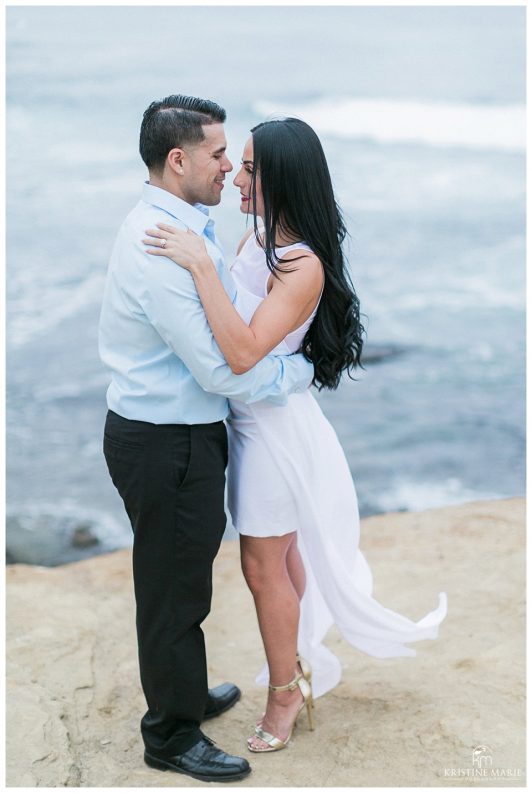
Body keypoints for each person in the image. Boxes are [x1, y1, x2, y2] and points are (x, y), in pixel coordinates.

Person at [143, 117, 448, 753]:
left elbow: (245, 350)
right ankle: (300, 659)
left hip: (274, 435)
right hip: (255, 423)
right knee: (281, 559)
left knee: (262, 566)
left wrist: (199, 264)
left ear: (285, 178)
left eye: (251, 167)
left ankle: (285, 691)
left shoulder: (299, 261)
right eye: (239, 163)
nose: (236, 176)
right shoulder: (259, 240)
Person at [99, 96, 315, 782]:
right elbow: (223, 367)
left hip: (179, 433)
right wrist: (303, 368)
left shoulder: (182, 222)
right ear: (178, 160)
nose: (230, 167)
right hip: (167, 441)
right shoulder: (163, 244)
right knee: (172, 591)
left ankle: (184, 693)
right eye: (220, 155)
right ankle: (170, 733)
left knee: (184, 579)